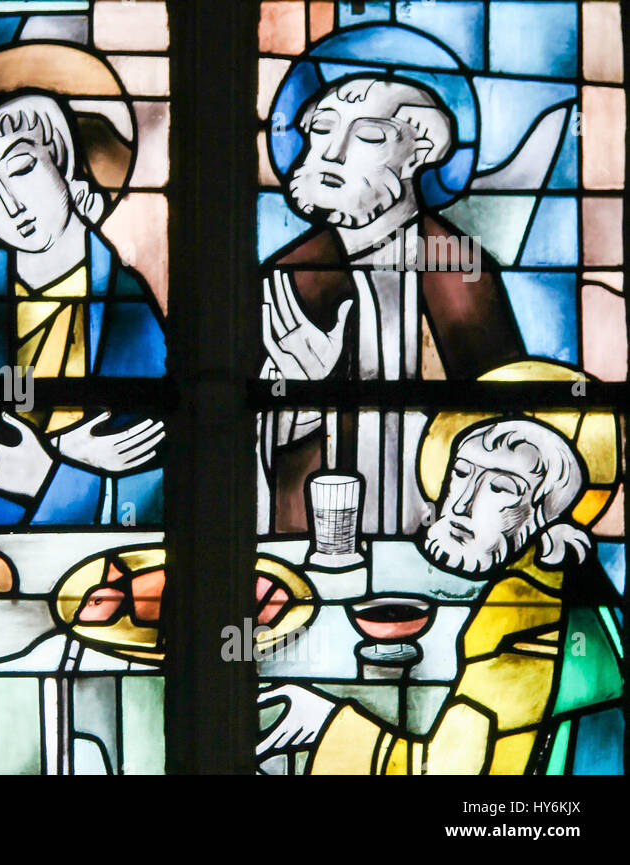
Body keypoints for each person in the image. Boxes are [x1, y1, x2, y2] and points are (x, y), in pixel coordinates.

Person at [259, 419, 619, 774]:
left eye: (500, 489)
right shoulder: (533, 580)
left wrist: (326, 721)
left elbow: (453, 767)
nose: (462, 505)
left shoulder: (528, 620)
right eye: (462, 474)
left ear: (543, 514)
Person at [258, 76, 526, 535]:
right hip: (312, 542)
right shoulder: (289, 275)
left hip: (445, 530)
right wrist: (299, 397)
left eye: (368, 135)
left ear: (418, 151)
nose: (333, 152)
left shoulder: (459, 267)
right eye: (322, 129)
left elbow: (511, 414)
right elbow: (233, 431)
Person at [0, 92, 166, 526]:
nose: (10, 206)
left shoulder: (126, 302)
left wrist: (48, 478)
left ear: (63, 162)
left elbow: (158, 456)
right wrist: (66, 459)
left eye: (21, 169)